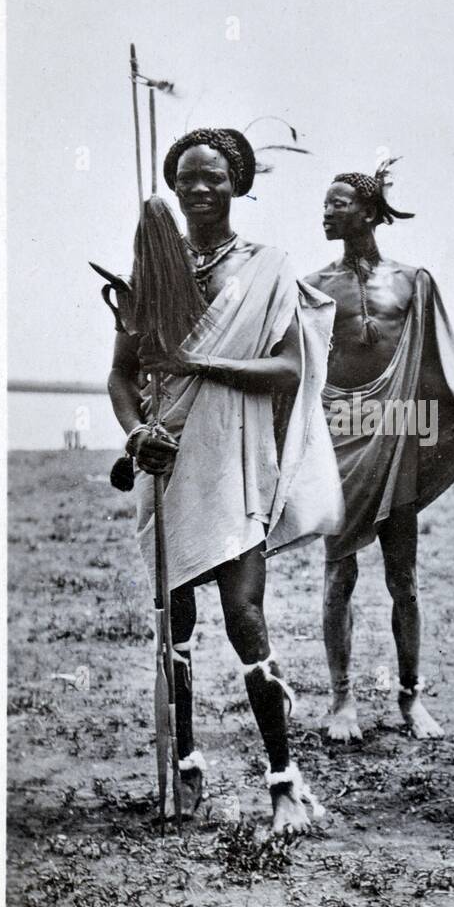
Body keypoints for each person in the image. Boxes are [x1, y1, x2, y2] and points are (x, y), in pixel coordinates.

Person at [106, 127, 343, 834]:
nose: (199, 189)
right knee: (173, 628)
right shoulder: (154, 269)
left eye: (213, 177)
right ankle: (185, 769)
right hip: (168, 461)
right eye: (186, 179)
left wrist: (202, 365)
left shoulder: (266, 268)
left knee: (245, 617)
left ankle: (284, 783)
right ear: (173, 187)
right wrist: (134, 431)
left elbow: (289, 371)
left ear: (238, 182)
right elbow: (123, 374)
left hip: (236, 463)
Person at [306, 162, 454, 742]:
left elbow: (445, 353)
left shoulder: (413, 281)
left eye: (336, 202)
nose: (325, 211)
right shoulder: (311, 286)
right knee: (339, 573)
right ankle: (342, 701)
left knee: (403, 577)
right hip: (339, 434)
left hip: (399, 434)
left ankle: (410, 698)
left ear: (367, 212)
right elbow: (304, 368)